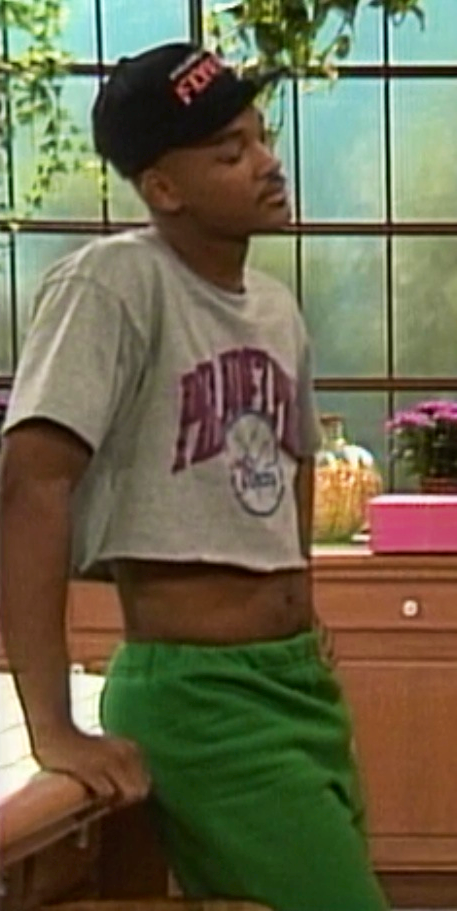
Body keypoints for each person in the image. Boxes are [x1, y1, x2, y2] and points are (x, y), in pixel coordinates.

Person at [0, 41, 389, 911]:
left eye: (261, 137)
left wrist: (301, 596)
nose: (266, 163)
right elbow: (31, 486)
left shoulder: (275, 309)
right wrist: (53, 724)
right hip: (199, 693)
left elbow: (293, 460)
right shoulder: (113, 284)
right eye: (228, 151)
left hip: (296, 678)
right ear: (163, 187)